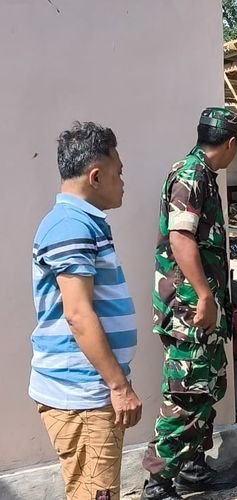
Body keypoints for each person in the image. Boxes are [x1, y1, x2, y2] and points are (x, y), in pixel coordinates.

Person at [31, 121, 142, 500]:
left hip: (87, 388)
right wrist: (118, 385)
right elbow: (78, 315)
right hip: (82, 393)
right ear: (96, 176)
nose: (123, 181)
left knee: (90, 489)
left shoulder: (80, 223)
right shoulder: (70, 227)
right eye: (119, 172)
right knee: (96, 494)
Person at [141, 108, 237, 499]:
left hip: (202, 310)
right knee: (184, 397)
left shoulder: (201, 174)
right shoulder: (191, 175)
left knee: (205, 389)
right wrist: (203, 295)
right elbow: (182, 240)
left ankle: (193, 471)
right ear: (231, 143)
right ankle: (158, 482)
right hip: (189, 311)